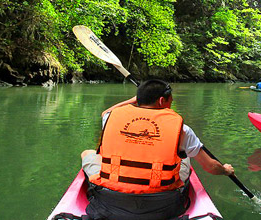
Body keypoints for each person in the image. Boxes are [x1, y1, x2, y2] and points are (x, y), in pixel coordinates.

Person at [80, 79, 235, 220]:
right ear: (162, 100)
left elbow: (105, 113)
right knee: (185, 157)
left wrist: (136, 100)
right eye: (170, 100)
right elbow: (210, 167)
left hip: (111, 202)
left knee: (88, 153)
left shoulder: (110, 118)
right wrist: (226, 170)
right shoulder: (183, 130)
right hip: (164, 206)